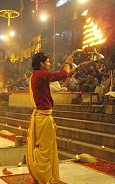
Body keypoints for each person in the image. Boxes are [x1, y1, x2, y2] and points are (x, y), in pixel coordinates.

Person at [26, 52, 73, 184]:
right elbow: (62, 75)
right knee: (45, 150)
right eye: (47, 61)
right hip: (43, 118)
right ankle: (43, 178)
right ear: (41, 64)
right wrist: (67, 63)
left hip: (42, 117)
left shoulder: (36, 76)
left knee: (44, 148)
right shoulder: (40, 74)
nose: (49, 63)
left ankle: (40, 177)